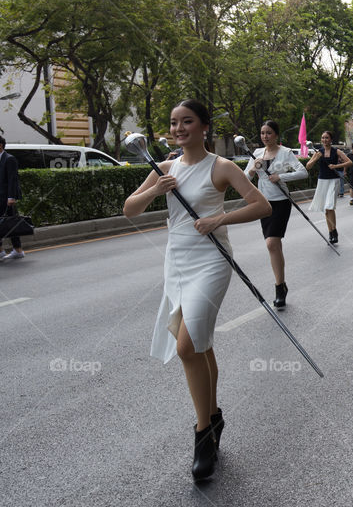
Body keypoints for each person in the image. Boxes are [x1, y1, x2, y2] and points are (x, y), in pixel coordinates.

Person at [123, 99, 272, 480]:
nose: (178, 128)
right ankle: (214, 415)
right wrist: (155, 190)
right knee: (200, 344)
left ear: (204, 126)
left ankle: (203, 434)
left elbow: (261, 206)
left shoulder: (222, 167)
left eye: (186, 121)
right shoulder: (167, 168)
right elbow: (129, 210)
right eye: (173, 123)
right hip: (177, 262)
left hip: (211, 261)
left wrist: (218, 218)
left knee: (187, 346)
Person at [244, 120, 309, 308]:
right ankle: (282, 284)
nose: (265, 136)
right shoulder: (256, 154)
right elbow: (244, 178)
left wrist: (281, 176)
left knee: (272, 242)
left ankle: (279, 287)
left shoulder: (286, 153)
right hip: (262, 202)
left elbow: (302, 172)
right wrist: (253, 168)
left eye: (269, 133)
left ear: (276, 135)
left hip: (280, 202)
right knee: (273, 246)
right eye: (263, 133)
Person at [305, 131, 352, 244]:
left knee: (330, 206)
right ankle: (331, 233)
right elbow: (308, 166)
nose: (324, 140)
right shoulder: (318, 152)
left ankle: (334, 231)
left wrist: (336, 166)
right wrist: (315, 158)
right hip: (322, 181)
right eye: (323, 138)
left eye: (327, 138)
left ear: (331, 140)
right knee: (326, 208)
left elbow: (349, 162)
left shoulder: (337, 151)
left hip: (333, 180)